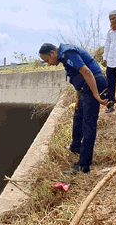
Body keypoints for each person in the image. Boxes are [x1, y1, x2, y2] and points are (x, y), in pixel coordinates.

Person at [39, 43, 109, 174]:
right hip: (86, 87)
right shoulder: (64, 58)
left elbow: (87, 72)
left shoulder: (68, 53)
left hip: (95, 82)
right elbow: (78, 80)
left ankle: (84, 165)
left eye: (47, 60)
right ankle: (76, 147)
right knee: (78, 116)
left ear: (53, 53)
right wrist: (78, 99)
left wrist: (96, 95)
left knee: (89, 124)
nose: (48, 64)